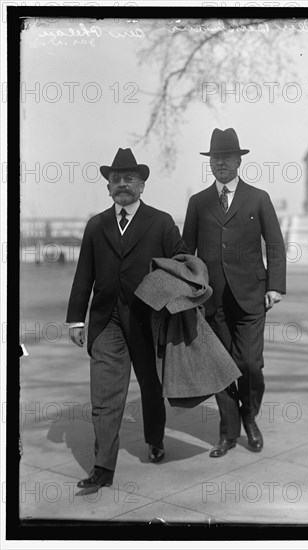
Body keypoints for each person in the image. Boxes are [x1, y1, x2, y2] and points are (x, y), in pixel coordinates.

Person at [66, 147, 187, 490]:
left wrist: (174, 297)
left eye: (129, 179)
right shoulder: (96, 224)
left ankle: (155, 440)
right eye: (115, 179)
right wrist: (76, 319)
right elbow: (83, 273)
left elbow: (181, 261)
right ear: (108, 187)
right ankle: (103, 467)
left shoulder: (161, 222)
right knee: (105, 396)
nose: (122, 184)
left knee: (151, 387)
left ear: (142, 185)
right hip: (107, 322)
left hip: (148, 320)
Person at [182, 128, 286, 458]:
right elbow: (187, 251)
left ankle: (249, 418)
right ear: (209, 163)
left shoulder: (258, 197)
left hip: (253, 294)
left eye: (227, 158)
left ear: (239, 161)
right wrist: (187, 291)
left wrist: (275, 286)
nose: (221, 164)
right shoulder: (198, 202)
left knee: (251, 364)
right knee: (222, 366)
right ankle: (228, 433)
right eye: (215, 159)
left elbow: (275, 244)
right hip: (212, 299)